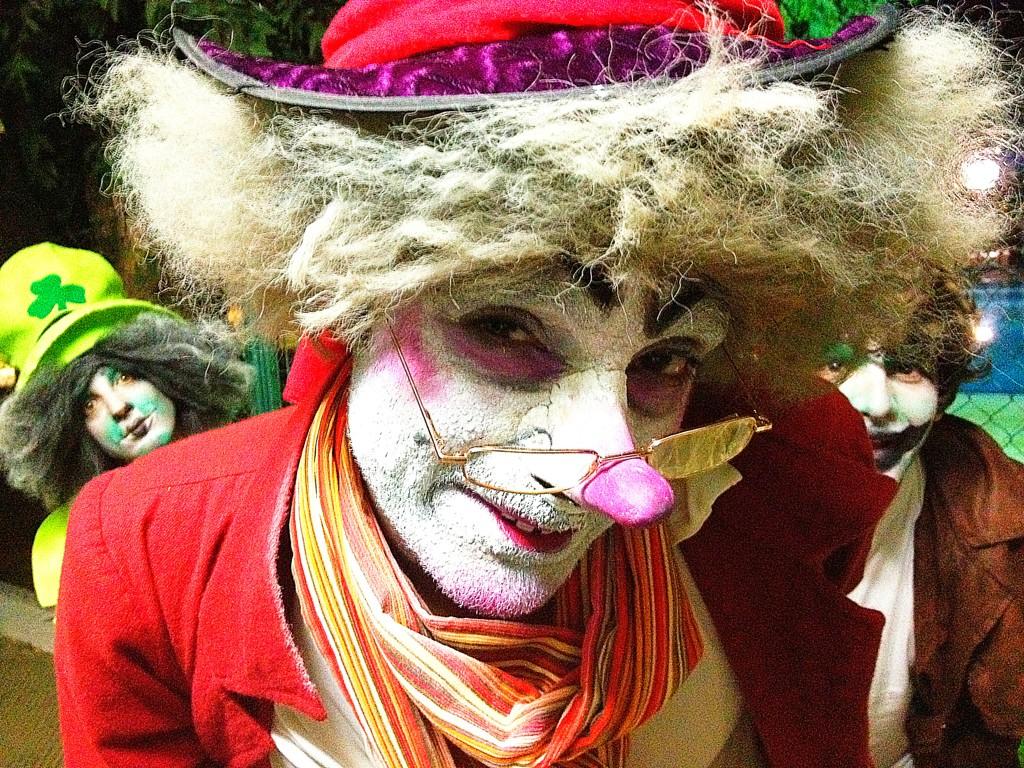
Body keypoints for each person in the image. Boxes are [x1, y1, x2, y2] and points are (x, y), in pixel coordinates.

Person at [56, 2, 1019, 766]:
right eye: (505, 329)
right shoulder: (144, 554)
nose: (617, 477)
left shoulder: (785, 476)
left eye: (665, 360)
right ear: (349, 297)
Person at [819, 278, 1024, 767]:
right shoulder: (697, 511)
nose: (874, 403)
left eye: (907, 367)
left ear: (943, 391)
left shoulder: (1002, 527)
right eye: (833, 363)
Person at [0, 242, 252, 606]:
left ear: (168, 370)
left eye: (125, 378)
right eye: (89, 405)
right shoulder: (70, 550)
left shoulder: (256, 468)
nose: (119, 407)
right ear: (70, 433)